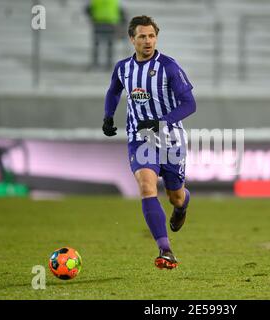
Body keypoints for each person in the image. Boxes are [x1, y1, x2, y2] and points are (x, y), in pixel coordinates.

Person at [102, 15, 196, 269]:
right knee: (146, 186)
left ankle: (181, 208)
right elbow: (113, 90)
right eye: (142, 36)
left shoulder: (169, 67)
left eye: (152, 36)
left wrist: (162, 122)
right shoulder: (123, 68)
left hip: (171, 139)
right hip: (140, 138)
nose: (148, 41)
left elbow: (190, 104)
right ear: (132, 39)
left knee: (176, 196)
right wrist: (108, 116)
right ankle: (165, 250)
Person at [85, 0, 126, 70]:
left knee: (97, 44)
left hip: (98, 22)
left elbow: (87, 9)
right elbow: (121, 10)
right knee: (109, 44)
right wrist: (123, 22)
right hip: (111, 23)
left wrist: (92, 18)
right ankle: (108, 64)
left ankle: (96, 63)